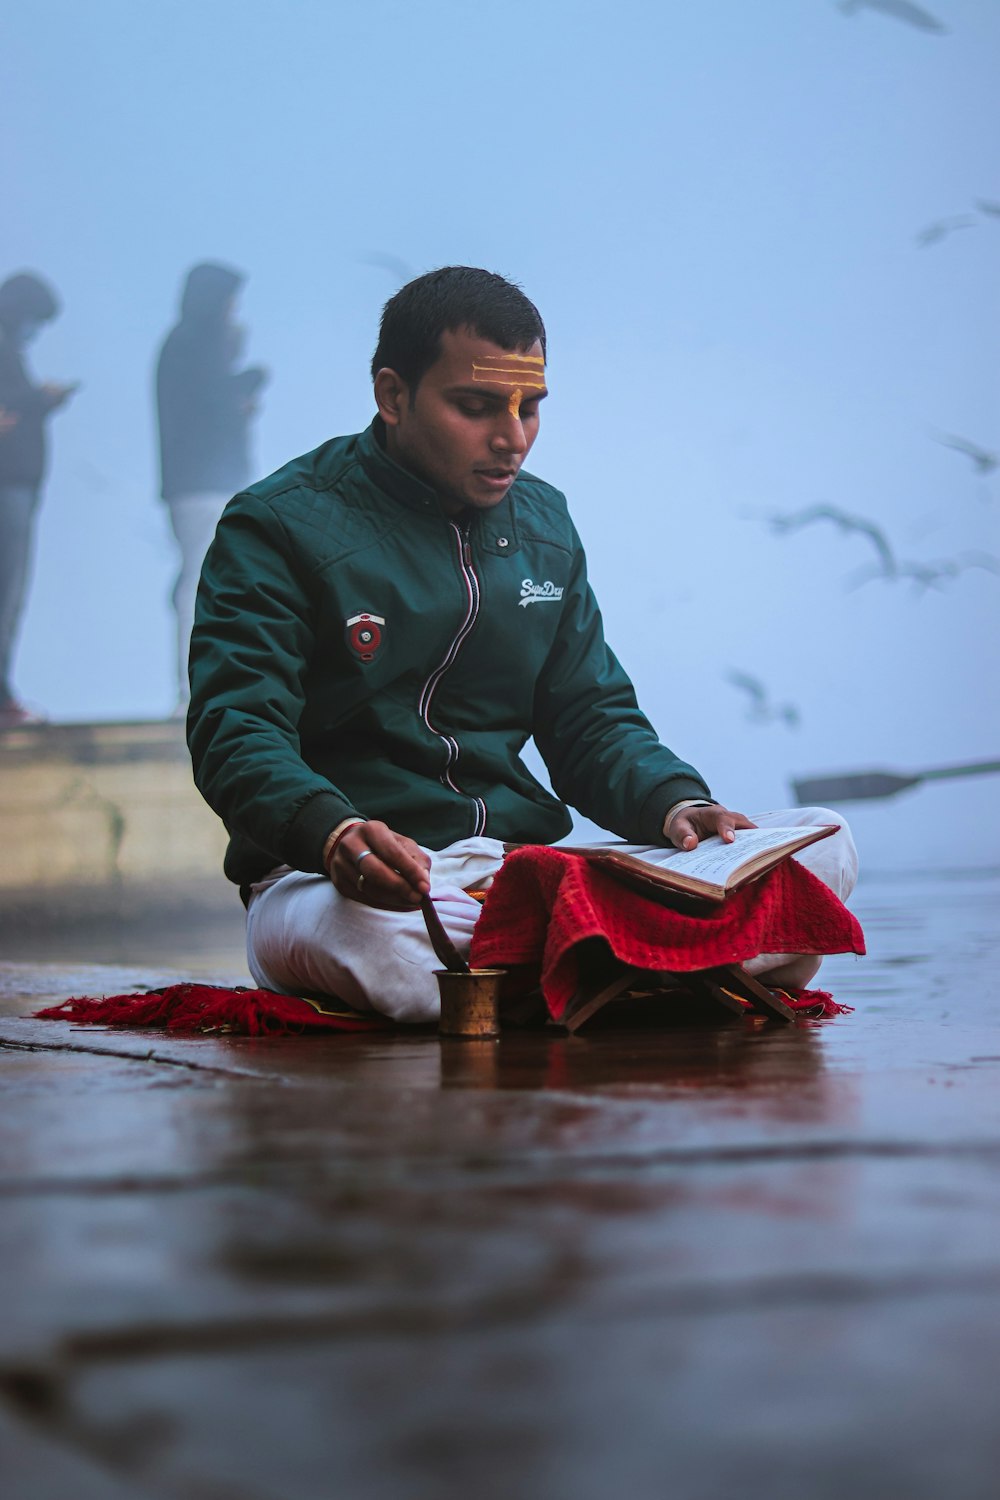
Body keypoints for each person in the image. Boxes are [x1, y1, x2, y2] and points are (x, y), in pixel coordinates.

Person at [187, 267, 857, 1022]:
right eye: (475, 408)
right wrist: (331, 830)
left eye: (530, 408)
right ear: (392, 395)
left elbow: (589, 718)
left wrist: (677, 802)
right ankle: (640, 968)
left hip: (517, 878)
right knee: (386, 943)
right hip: (347, 889)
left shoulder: (543, 525)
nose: (513, 439)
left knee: (824, 846)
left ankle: (562, 968)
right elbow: (234, 728)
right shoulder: (277, 525)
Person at [156, 262, 268, 710]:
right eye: (229, 302)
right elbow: (211, 404)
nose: (234, 311)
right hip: (202, 486)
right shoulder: (193, 344)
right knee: (204, 581)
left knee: (202, 578)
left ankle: (200, 685)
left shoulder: (183, 346)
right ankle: (195, 688)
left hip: (197, 485)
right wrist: (246, 378)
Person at [0, 272, 77, 728]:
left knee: (10, 594)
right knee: (6, 592)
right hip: (8, 488)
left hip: (19, 489)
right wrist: (36, 399)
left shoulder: (11, 349)